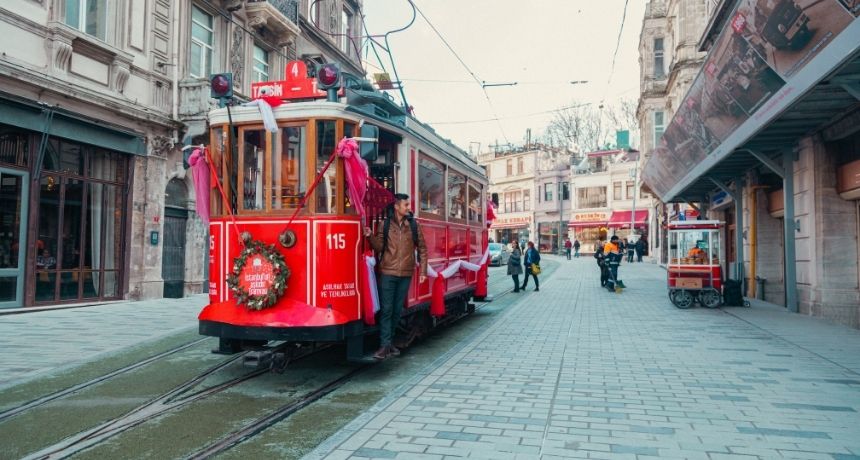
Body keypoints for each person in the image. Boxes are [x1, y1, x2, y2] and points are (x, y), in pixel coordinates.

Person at [365, 193, 428, 360]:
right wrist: (369, 235)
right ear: (397, 206)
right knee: (386, 310)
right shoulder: (385, 225)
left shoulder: (414, 225)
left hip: (405, 273)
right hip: (388, 272)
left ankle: (389, 343)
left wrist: (422, 271)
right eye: (406, 205)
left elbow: (422, 248)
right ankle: (385, 345)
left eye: (408, 205)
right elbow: (379, 247)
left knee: (397, 311)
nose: (409, 208)